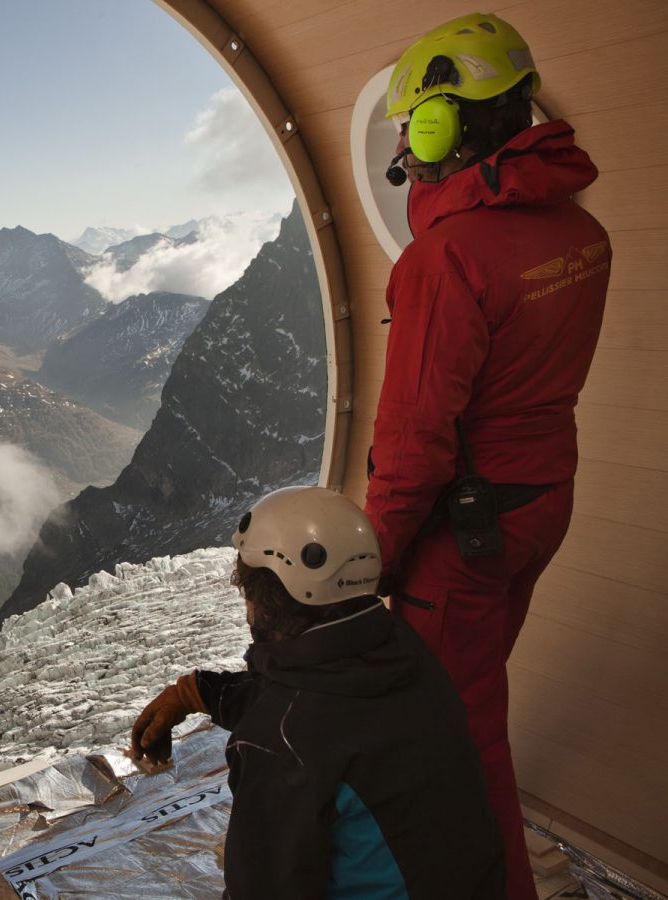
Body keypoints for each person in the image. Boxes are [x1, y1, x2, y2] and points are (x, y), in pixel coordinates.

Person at [368, 14, 610, 897]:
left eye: (414, 124)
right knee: (476, 699)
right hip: (540, 503)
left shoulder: (447, 257)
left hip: (462, 537)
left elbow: (413, 443)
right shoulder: (579, 233)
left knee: (454, 740)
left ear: (446, 125)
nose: (406, 147)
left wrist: (373, 561)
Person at [131, 486, 504, 899]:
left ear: (262, 598)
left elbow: (262, 891)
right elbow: (318, 707)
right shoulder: (403, 650)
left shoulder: (279, 744)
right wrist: (196, 693)